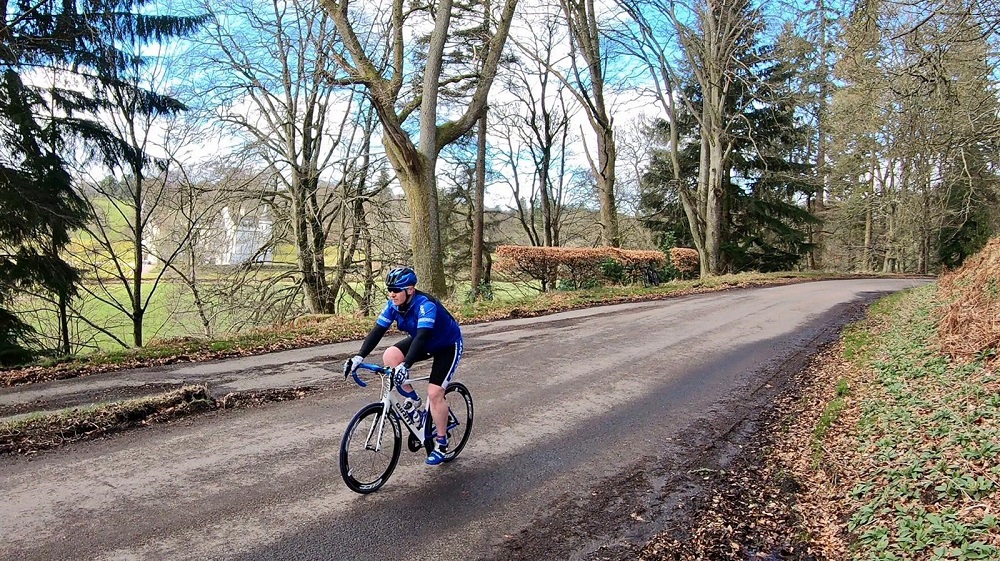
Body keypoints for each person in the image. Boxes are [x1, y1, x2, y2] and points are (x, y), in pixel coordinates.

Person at [343, 266, 464, 466]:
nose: (392, 294)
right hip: (422, 341)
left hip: (447, 345)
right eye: (390, 289)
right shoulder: (393, 305)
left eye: (396, 290)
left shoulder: (425, 305)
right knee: (390, 356)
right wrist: (359, 357)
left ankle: (441, 443)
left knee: (434, 393)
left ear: (410, 290)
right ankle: (414, 403)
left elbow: (423, 335)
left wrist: (406, 365)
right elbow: (378, 330)